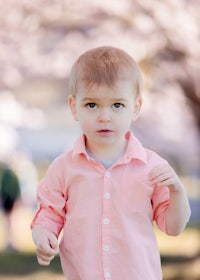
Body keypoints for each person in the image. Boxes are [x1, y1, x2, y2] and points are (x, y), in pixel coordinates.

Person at [31, 46, 191, 280]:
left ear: (135, 108)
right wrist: (43, 235)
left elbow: (174, 228)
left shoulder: (151, 167)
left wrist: (176, 191)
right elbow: (50, 214)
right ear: (74, 107)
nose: (104, 116)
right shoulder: (63, 168)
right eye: (92, 105)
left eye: (117, 105)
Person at [0, 163, 21, 251]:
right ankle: (11, 242)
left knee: (9, 221)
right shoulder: (11, 174)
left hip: (7, 199)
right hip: (10, 199)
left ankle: (11, 242)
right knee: (10, 221)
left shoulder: (5, 174)